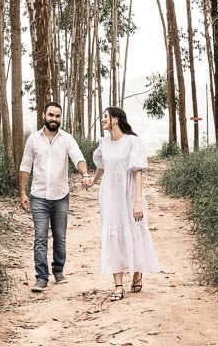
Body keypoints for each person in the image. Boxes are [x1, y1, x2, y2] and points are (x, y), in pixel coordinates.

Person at [83, 106, 160, 301]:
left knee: (133, 231)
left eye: (105, 117)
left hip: (129, 192)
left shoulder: (132, 142)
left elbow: (138, 171)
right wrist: (93, 181)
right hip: (109, 194)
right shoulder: (104, 143)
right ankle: (118, 285)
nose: (103, 120)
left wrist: (138, 202)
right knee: (112, 232)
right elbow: (102, 166)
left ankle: (136, 272)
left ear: (115, 119)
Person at [19, 102, 92, 292]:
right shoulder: (33, 139)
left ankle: (58, 271)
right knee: (40, 237)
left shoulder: (67, 139)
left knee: (60, 237)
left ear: (61, 118)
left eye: (57, 116)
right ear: (44, 115)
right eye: (51, 115)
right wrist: (22, 192)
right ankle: (41, 278)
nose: (54, 119)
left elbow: (78, 158)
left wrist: (84, 174)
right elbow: (25, 166)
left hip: (60, 196)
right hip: (39, 196)